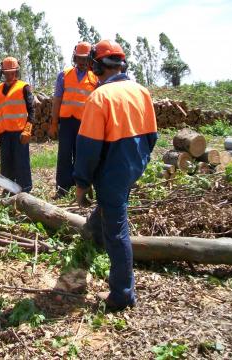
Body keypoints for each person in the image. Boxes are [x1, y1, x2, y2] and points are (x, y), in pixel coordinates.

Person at [74, 40, 158, 310]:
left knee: (118, 231)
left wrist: (81, 183)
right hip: (133, 164)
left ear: (97, 66)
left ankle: (122, 294)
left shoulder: (99, 97)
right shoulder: (141, 91)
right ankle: (95, 236)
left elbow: (88, 148)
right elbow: (152, 136)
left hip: (112, 170)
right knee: (111, 208)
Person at [48, 41, 98, 198]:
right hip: (67, 122)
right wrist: (54, 123)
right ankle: (62, 189)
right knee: (64, 155)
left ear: (90, 59)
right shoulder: (64, 75)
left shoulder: (96, 78)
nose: (82, 62)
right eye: (79, 58)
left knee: (81, 156)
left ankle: (81, 188)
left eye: (85, 59)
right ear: (75, 58)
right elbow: (57, 100)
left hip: (85, 123)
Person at [0, 56, 35, 193]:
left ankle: (25, 190)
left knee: (21, 163)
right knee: (6, 164)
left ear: (16, 72)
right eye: (7, 73)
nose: (9, 75)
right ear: (2, 73)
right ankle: (8, 190)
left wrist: (27, 130)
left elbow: (32, 110)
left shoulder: (23, 87)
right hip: (4, 133)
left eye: (12, 72)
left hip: (19, 133)